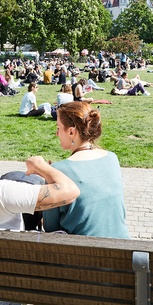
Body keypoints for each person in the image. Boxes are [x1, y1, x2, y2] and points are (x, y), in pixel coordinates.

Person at [42, 101, 130, 238]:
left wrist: (49, 173)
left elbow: (50, 228)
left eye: (58, 128)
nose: (56, 133)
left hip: (85, 255)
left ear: (72, 132)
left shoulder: (57, 172)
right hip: (123, 250)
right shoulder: (112, 158)